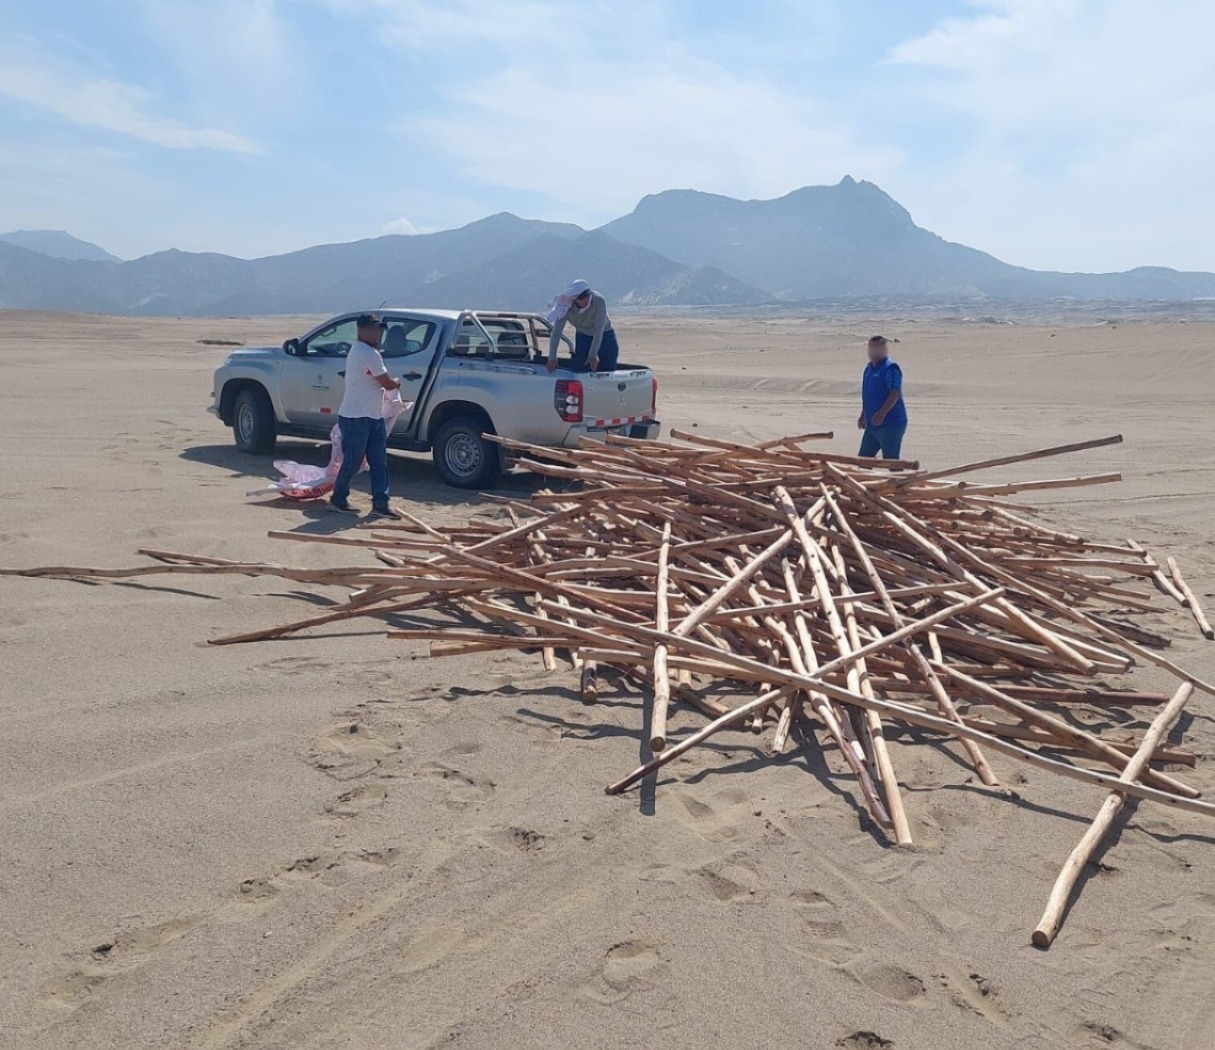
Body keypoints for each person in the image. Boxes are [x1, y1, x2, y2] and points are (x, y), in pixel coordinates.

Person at [330, 313, 401, 516]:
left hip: (372, 416)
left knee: (379, 462)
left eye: (379, 329)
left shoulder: (368, 352)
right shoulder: (365, 351)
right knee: (352, 461)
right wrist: (396, 383)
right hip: (356, 417)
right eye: (373, 329)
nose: (377, 333)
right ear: (361, 330)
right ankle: (338, 499)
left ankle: (381, 504)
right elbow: (387, 383)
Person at [545, 278, 620, 373]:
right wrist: (552, 357)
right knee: (583, 367)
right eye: (581, 298)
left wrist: (592, 355)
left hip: (604, 334)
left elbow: (598, 330)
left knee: (608, 366)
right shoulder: (565, 308)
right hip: (583, 335)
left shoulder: (598, 301)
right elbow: (557, 332)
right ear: (574, 298)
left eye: (587, 296)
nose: (585, 300)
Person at [857, 335, 907, 460]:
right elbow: (868, 395)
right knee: (864, 459)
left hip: (891, 424)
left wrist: (882, 413)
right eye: (871, 349)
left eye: (876, 349)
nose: (873, 352)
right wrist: (863, 415)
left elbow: (894, 393)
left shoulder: (890, 368)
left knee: (890, 460)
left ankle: (901, 479)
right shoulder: (868, 368)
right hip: (872, 424)